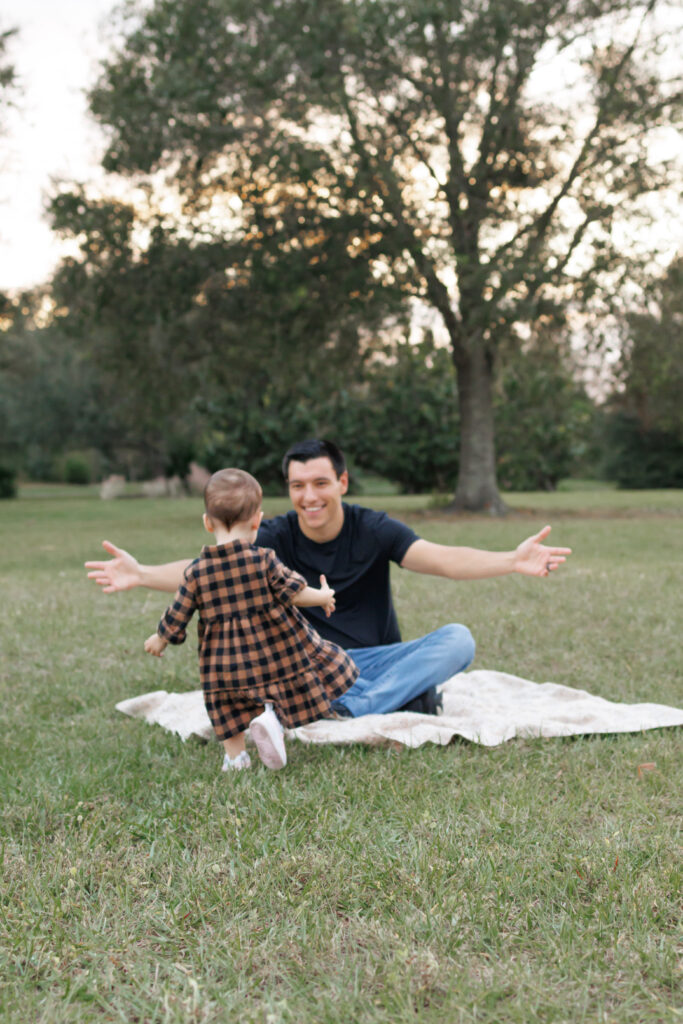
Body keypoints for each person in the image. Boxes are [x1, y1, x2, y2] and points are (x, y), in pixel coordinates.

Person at [87, 439, 572, 718]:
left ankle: (355, 706)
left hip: (375, 663)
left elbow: (442, 558)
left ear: (341, 482)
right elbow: (207, 572)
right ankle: (400, 700)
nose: (309, 496)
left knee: (458, 641)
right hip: (310, 667)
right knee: (410, 687)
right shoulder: (273, 534)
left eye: (320, 483)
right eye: (298, 486)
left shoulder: (373, 528)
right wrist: (142, 574)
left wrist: (511, 559)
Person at [143, 467, 358, 771]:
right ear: (257, 520)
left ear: (207, 523)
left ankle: (235, 758)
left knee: (225, 705)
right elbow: (294, 591)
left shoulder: (195, 572)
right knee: (277, 684)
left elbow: (179, 611)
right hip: (272, 649)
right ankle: (270, 717)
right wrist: (323, 596)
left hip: (223, 663)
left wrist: (160, 638)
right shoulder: (264, 560)